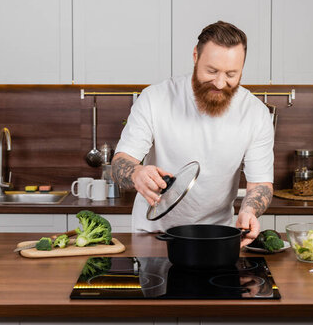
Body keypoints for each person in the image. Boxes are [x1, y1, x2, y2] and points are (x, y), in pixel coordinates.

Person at [111, 21, 274, 247]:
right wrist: (137, 173)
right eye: (212, 71)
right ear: (196, 56)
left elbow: (260, 185)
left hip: (218, 236)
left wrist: (249, 211)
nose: (219, 82)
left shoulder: (256, 113)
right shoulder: (155, 98)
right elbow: (121, 162)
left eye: (231, 74)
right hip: (154, 235)